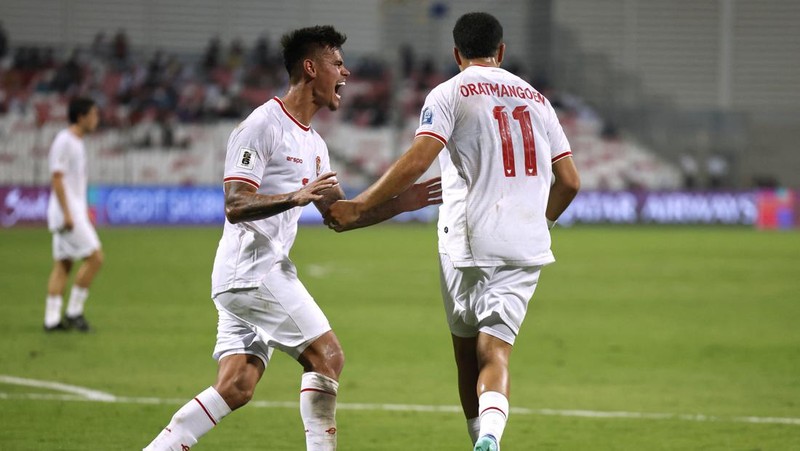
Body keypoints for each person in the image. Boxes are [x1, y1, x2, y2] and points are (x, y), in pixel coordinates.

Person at [142, 25, 441, 451]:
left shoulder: (315, 144)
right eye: (336, 63)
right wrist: (294, 196)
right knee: (328, 357)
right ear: (310, 67)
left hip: (248, 276)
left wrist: (402, 203)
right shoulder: (261, 126)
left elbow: (339, 216)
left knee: (237, 386)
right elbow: (235, 203)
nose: (346, 72)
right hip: (254, 272)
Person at [327, 12, 580, 451]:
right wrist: (541, 224)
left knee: (466, 354)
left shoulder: (449, 93)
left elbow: (419, 158)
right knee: (496, 352)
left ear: (456, 53)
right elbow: (571, 182)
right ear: (501, 52)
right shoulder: (538, 100)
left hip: (467, 241)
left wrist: (362, 202)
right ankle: (491, 437)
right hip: (526, 246)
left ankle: (476, 437)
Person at [44, 97, 103, 332]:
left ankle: (51, 320)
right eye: (94, 114)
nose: (96, 119)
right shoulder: (64, 141)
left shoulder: (77, 142)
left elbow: (73, 183)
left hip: (71, 210)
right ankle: (74, 312)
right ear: (81, 116)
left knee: (63, 264)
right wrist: (68, 213)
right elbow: (57, 178)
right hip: (65, 212)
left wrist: (82, 210)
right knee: (95, 257)